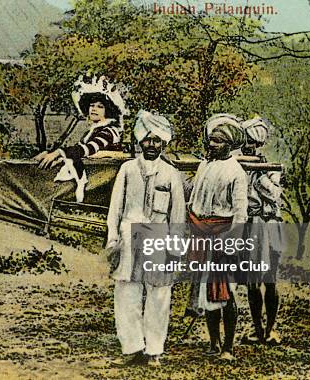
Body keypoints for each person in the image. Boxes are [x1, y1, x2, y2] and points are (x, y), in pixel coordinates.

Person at [106, 110, 186, 366]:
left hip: (159, 237)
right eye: (147, 140)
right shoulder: (127, 169)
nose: (151, 145)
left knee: (159, 295)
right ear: (139, 141)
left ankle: (154, 350)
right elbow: (115, 208)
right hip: (129, 235)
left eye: (157, 141)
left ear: (164, 143)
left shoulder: (171, 173)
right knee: (126, 293)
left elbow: (178, 215)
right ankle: (131, 348)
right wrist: (112, 239)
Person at [187, 114, 248, 361]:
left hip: (223, 233)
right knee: (206, 289)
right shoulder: (204, 165)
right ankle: (213, 342)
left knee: (226, 289)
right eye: (211, 140)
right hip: (201, 230)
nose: (212, 145)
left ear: (229, 145)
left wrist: (230, 242)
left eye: (219, 141)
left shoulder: (236, 172)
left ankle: (228, 347)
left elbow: (240, 213)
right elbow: (194, 200)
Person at [34, 75, 128, 202]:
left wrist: (58, 152)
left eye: (100, 106)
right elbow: (76, 150)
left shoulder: (109, 132)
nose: (94, 109)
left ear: (108, 111)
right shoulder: (92, 131)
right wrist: (58, 157)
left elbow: (87, 149)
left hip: (101, 185)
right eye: (92, 105)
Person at [240, 117, 284, 345]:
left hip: (270, 224)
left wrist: (259, 175)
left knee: (271, 280)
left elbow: (275, 196)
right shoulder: (239, 167)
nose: (250, 148)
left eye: (254, 144)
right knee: (252, 281)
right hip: (251, 225)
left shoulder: (270, 167)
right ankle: (256, 329)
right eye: (247, 143)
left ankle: (271, 329)